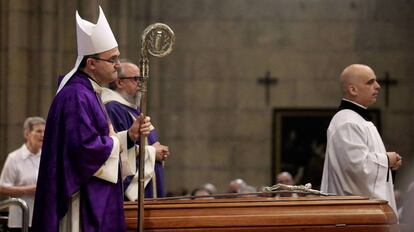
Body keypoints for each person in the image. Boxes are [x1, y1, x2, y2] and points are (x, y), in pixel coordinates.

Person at [32, 6, 155, 232]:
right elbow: (84, 149)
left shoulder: (89, 92)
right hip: (83, 199)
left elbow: (99, 139)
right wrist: (118, 142)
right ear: (91, 63)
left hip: (97, 194)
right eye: (113, 59)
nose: (118, 65)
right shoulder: (76, 96)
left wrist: (130, 135)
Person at [321, 64, 402, 216]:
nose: (377, 86)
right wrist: (386, 159)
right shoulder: (347, 122)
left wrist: (388, 166)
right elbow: (357, 169)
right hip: (356, 216)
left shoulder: (357, 120)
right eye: (370, 82)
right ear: (353, 90)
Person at [101, 61, 170, 199]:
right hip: (132, 195)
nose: (140, 84)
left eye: (141, 79)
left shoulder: (133, 109)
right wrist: (152, 152)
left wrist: (159, 150)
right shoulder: (113, 109)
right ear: (120, 83)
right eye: (136, 79)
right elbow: (119, 149)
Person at [0, 117, 45, 231]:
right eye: (39, 131)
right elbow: (2, 188)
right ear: (27, 134)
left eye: (45, 131)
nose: (43, 135)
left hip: (42, 218)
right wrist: (30, 189)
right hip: (19, 221)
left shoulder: (47, 157)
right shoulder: (14, 158)